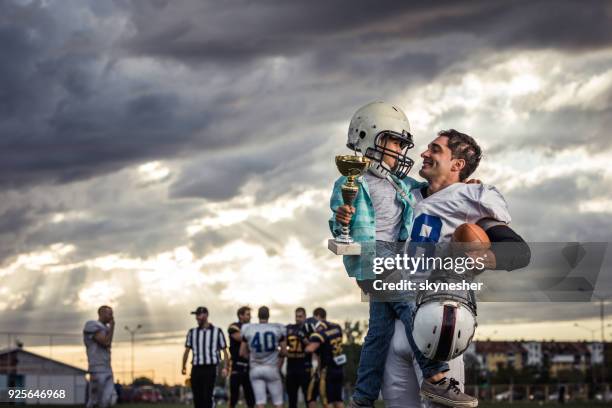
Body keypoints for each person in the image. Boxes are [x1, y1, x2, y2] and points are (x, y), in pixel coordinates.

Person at [330, 102, 473, 408]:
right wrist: (342, 218)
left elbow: (436, 189)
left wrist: (463, 186)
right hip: (374, 256)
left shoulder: (403, 183)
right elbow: (338, 220)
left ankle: (363, 398)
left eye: (401, 144)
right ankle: (435, 378)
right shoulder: (351, 182)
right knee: (410, 303)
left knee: (378, 335)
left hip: (397, 255)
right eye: (393, 141)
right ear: (368, 137)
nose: (400, 150)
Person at [381, 130, 530, 407]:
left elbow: (518, 251)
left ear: (457, 164)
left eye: (435, 149)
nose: (424, 153)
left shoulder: (472, 196)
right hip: (393, 322)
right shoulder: (404, 193)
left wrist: (474, 259)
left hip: (436, 323)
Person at [182, 306, 230, 408]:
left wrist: (226, 367)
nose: (197, 317)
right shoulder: (192, 332)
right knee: (197, 398)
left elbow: (225, 351)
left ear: (206, 315)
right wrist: (183, 366)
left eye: (199, 315)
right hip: (196, 368)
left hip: (210, 368)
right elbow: (187, 351)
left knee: (207, 396)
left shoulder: (217, 331)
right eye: (196, 315)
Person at [240, 306, 286, 408]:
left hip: (255, 368)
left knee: (260, 402)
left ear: (257, 316)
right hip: (271, 367)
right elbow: (284, 351)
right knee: (278, 402)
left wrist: (253, 359)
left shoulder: (249, 328)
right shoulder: (277, 328)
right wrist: (277, 359)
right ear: (268, 315)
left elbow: (242, 353)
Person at [305, 308, 345, 408]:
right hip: (339, 368)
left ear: (317, 316)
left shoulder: (319, 333)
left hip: (328, 371)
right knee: (339, 400)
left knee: (328, 401)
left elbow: (310, 349)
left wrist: (306, 341)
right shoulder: (337, 327)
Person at [83, 305, 115, 408]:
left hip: (107, 368)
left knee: (108, 400)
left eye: (112, 313)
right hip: (97, 368)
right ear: (101, 313)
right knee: (95, 401)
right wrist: (112, 327)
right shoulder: (92, 325)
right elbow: (106, 342)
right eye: (109, 313)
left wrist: (110, 328)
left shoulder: (106, 328)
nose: (111, 316)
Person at [228, 306, 256, 408]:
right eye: (248, 314)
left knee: (250, 398)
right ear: (240, 315)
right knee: (234, 397)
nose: (250, 317)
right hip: (237, 366)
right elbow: (240, 338)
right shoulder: (234, 326)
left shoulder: (250, 327)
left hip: (249, 366)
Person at [286, 307, 312, 408]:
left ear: (305, 317)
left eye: (300, 316)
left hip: (304, 366)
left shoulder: (309, 329)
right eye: (296, 316)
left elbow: (312, 346)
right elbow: (282, 343)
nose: (298, 319)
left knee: (307, 397)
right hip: (291, 367)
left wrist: (303, 337)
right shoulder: (289, 327)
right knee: (292, 399)